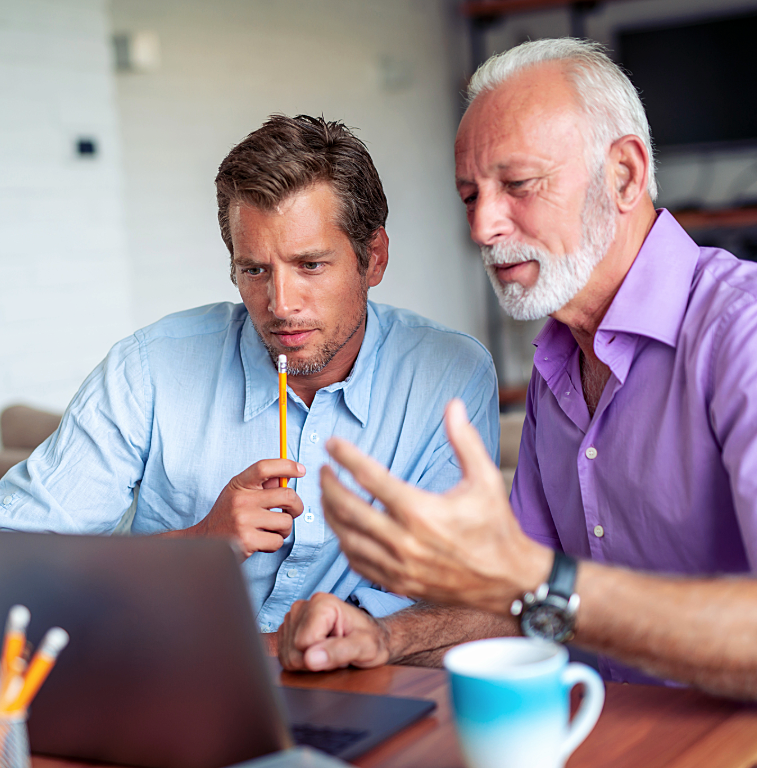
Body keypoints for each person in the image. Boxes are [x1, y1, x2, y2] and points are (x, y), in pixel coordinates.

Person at [278, 39, 757, 696]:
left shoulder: (742, 333)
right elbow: (518, 608)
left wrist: (538, 580)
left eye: (518, 185)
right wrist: (385, 639)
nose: (482, 226)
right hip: (595, 734)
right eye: (470, 195)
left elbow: (535, 588)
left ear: (623, 175)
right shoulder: (560, 365)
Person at [0, 115, 498, 635]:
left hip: (361, 685)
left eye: (310, 265)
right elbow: (1, 570)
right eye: (255, 270)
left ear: (374, 258)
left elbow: (465, 594)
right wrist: (200, 545)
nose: (281, 304)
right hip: (173, 679)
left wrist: (361, 629)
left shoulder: (448, 375)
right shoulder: (149, 368)